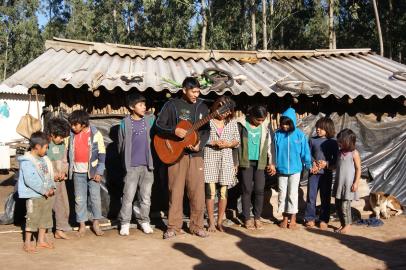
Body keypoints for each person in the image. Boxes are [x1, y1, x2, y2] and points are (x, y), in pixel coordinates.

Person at [155, 77, 210, 239]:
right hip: (175, 155)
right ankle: (173, 227)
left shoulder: (202, 107)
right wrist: (174, 131)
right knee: (175, 191)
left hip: (196, 155)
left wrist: (201, 144)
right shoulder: (171, 105)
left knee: (197, 192)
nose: (196, 94)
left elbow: (206, 131)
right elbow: (158, 125)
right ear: (184, 90)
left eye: (198, 91)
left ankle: (197, 226)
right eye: (193, 91)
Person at [118, 93, 155, 236]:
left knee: (145, 198)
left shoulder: (150, 120)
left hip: (147, 166)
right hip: (131, 167)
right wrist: (126, 162)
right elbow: (121, 145)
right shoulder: (124, 123)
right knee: (128, 197)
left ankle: (144, 221)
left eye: (144, 104)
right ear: (132, 107)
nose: (144, 107)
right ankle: (125, 223)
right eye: (140, 105)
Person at [67, 110, 106, 236]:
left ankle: (96, 223)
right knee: (80, 199)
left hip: (93, 173)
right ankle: (82, 224)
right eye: (71, 125)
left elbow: (102, 154)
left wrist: (99, 172)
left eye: (75, 124)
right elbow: (67, 152)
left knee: (95, 198)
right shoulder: (71, 135)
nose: (73, 127)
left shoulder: (96, 134)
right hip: (77, 172)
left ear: (83, 124)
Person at [237, 105, 275, 230]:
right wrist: (235, 162)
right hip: (245, 161)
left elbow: (270, 144)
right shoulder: (241, 124)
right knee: (246, 189)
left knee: (259, 189)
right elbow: (236, 143)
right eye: (258, 120)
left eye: (263, 119)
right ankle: (247, 218)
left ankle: (257, 218)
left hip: (261, 161)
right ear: (251, 116)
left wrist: (271, 162)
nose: (260, 122)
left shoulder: (266, 125)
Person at [204, 96, 239, 232]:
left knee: (224, 192)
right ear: (215, 108)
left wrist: (229, 143)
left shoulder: (232, 122)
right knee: (210, 192)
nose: (225, 113)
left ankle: (220, 222)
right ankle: (211, 222)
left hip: (226, 159)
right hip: (210, 158)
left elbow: (237, 140)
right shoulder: (208, 121)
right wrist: (212, 142)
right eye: (222, 110)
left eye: (228, 111)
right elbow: (199, 138)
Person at [274, 108, 312, 229]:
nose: (284, 126)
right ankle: (284, 218)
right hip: (281, 170)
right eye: (283, 123)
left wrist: (308, 164)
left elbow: (305, 152)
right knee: (282, 194)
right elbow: (273, 151)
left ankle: (293, 218)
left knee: (292, 194)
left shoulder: (300, 135)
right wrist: (273, 164)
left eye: (287, 124)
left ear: (292, 123)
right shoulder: (277, 135)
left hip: (296, 170)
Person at [18, 132, 56, 253]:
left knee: (45, 218)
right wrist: (44, 190)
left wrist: (51, 187)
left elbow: (47, 175)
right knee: (32, 219)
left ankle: (41, 241)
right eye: (46, 147)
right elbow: (31, 181)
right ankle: (27, 243)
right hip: (33, 196)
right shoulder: (27, 161)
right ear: (38, 147)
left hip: (45, 195)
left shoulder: (44, 159)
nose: (47, 149)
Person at [304, 117, 338, 230]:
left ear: (328, 129)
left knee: (325, 197)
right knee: (311, 196)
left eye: (321, 128)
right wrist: (312, 163)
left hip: (326, 174)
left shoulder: (332, 142)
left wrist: (326, 163)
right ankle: (310, 218)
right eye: (317, 127)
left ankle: (324, 219)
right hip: (313, 173)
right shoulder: (312, 140)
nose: (318, 129)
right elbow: (308, 155)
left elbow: (336, 159)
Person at [45, 117, 72, 239]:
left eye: (63, 138)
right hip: (46, 182)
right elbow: (43, 163)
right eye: (59, 137)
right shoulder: (44, 145)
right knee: (46, 205)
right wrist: (52, 174)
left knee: (62, 204)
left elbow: (65, 161)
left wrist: (63, 172)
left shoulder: (62, 145)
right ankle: (44, 230)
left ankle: (60, 229)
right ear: (52, 134)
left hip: (60, 181)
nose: (61, 139)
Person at [333, 128, 361, 234]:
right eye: (339, 141)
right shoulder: (339, 152)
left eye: (341, 141)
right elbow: (336, 166)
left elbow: (358, 169)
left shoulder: (354, 153)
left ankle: (348, 225)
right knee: (338, 204)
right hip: (339, 183)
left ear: (348, 141)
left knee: (345, 206)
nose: (339, 143)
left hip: (349, 184)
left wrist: (356, 182)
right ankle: (343, 224)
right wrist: (325, 165)